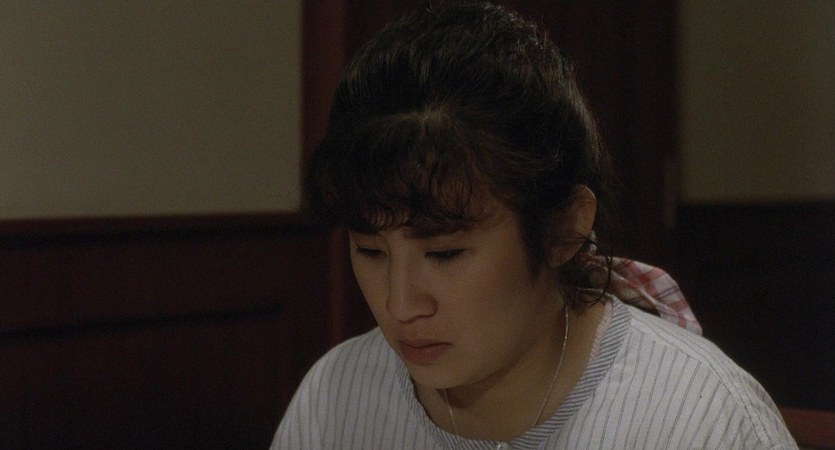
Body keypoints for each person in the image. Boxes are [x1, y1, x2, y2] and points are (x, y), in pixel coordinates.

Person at [273, 2, 796, 448]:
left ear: (564, 228)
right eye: (370, 250)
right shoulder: (337, 395)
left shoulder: (697, 416)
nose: (400, 304)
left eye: (445, 253)